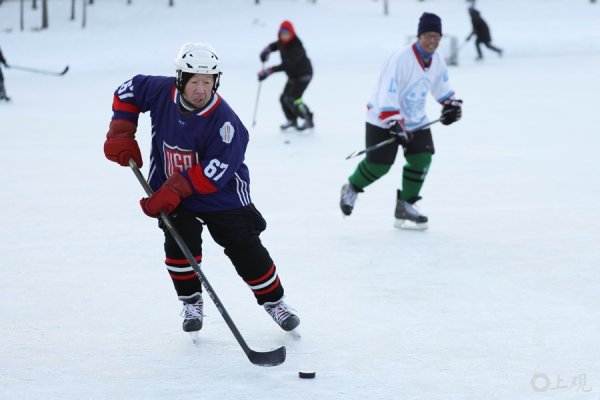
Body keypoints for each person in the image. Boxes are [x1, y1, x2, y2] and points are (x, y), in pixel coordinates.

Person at [103, 42, 300, 335]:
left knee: (244, 247)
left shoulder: (226, 123)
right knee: (179, 242)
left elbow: (215, 172)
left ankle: (275, 303)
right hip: (173, 189)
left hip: (222, 196)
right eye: (194, 81)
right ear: (181, 80)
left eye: (207, 82)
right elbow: (128, 90)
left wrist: (173, 190)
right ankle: (191, 301)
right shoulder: (160, 91)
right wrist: (122, 129)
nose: (201, 89)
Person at [339, 12, 462, 230]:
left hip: (415, 120)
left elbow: (441, 88)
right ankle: (352, 187)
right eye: (429, 36)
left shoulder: (437, 61)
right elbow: (387, 92)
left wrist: (451, 105)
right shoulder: (401, 58)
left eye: (437, 37)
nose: (433, 41)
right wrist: (394, 122)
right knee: (379, 166)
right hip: (382, 117)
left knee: (422, 158)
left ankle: (406, 204)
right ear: (419, 36)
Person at [257, 20, 314, 131]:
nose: (285, 36)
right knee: (284, 98)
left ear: (292, 33)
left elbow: (287, 65)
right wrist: (267, 50)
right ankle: (292, 120)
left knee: (294, 99)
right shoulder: (281, 42)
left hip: (304, 75)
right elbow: (274, 46)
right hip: (293, 76)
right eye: (282, 33)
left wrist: (269, 71)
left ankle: (308, 118)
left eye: (287, 33)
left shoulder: (296, 46)